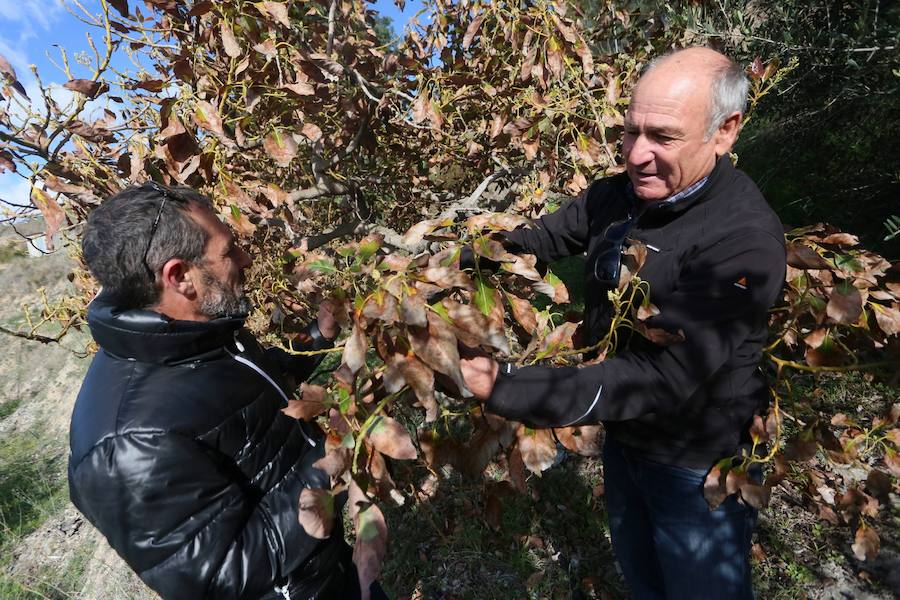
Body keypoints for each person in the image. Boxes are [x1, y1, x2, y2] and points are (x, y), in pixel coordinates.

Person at [460, 47, 786, 599]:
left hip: (695, 462)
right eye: (629, 131)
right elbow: (541, 239)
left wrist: (508, 386)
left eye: (662, 136)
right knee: (645, 581)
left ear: (725, 131)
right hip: (626, 438)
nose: (637, 155)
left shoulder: (743, 241)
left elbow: (662, 375)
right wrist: (454, 261)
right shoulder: (620, 195)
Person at [68, 182, 380, 599]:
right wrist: (338, 457)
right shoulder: (126, 445)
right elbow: (222, 576)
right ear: (180, 276)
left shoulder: (193, 335)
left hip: (326, 568)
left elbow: (255, 390)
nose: (246, 259)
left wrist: (318, 335)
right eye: (229, 251)